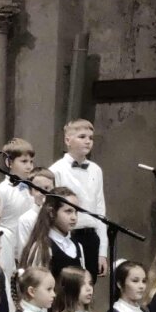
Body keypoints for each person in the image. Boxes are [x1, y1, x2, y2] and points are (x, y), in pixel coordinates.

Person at [49, 119, 108, 278]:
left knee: (89, 284)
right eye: (82, 137)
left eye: (91, 138)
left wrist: (102, 251)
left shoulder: (96, 170)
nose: (88, 141)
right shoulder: (57, 170)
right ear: (68, 140)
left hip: (91, 236)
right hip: (69, 235)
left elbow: (100, 209)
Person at [20, 187, 85, 281]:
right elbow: (37, 284)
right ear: (52, 212)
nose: (74, 217)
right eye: (68, 211)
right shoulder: (43, 247)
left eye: (76, 212)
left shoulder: (78, 246)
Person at [0, 138, 36, 253]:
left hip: (30, 248)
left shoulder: (34, 188)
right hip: (9, 249)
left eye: (31, 162)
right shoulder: (1, 191)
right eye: (24, 161)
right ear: (9, 163)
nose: (29, 166)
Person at [14, 168, 56, 261]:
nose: (43, 193)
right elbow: (23, 253)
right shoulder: (25, 219)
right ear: (30, 192)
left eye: (47, 188)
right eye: (38, 189)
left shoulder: (59, 216)